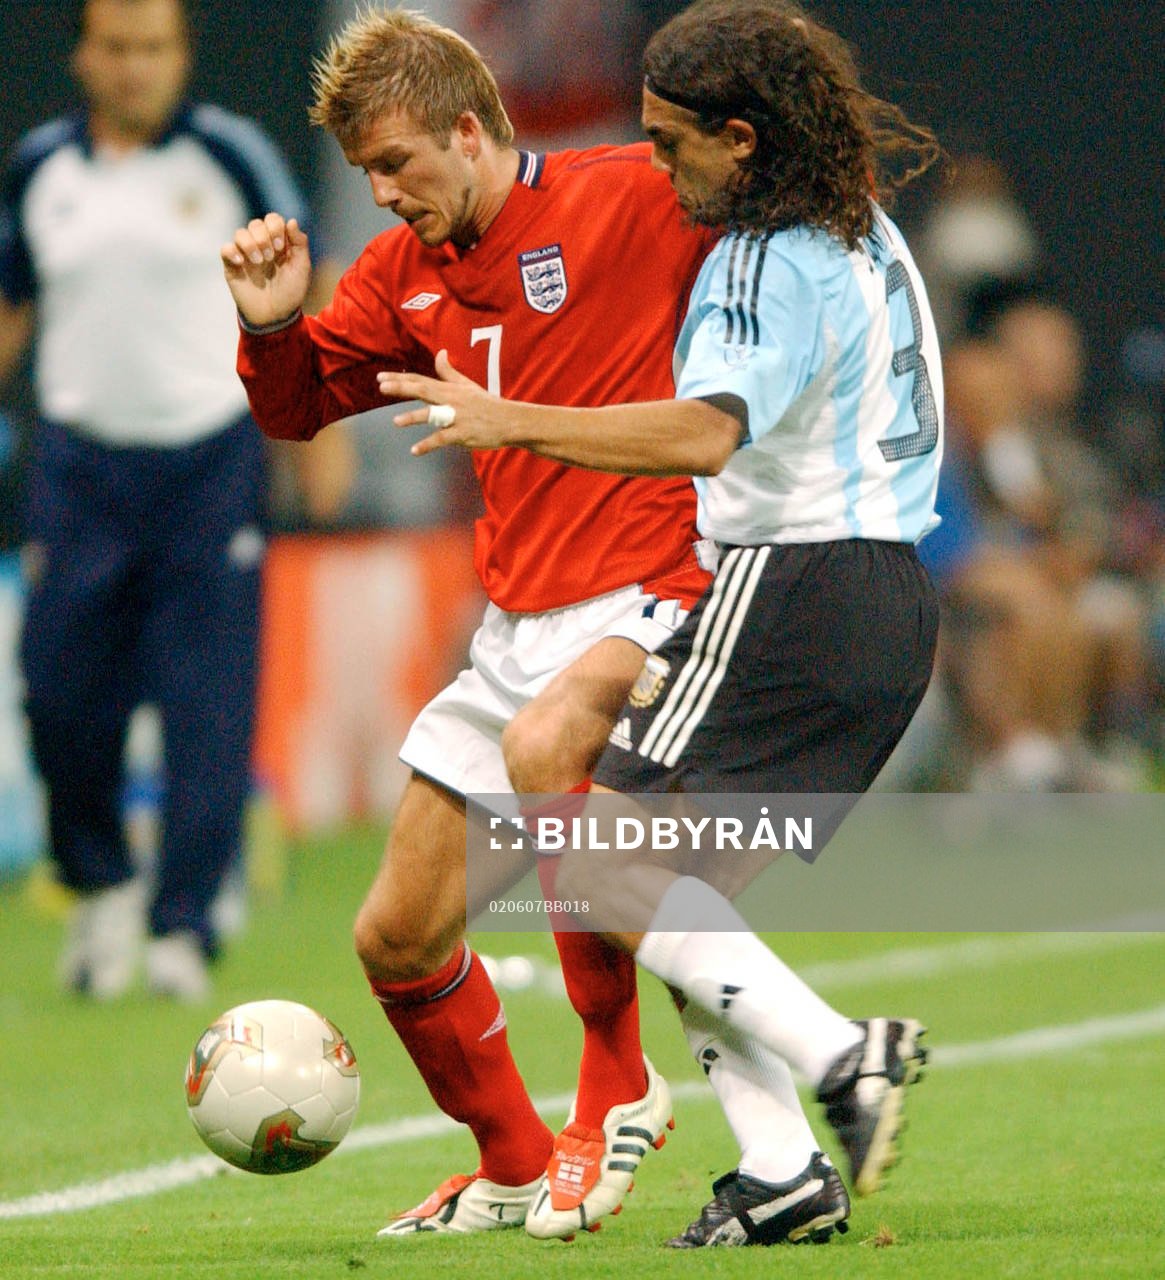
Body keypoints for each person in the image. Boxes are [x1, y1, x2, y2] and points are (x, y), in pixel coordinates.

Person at [378, 0, 943, 1246]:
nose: (658, 165)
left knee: (605, 860)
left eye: (672, 141)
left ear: (740, 140)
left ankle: (843, 1055)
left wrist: (508, 416)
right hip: (888, 599)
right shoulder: (869, 233)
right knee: (682, 907)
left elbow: (702, 432)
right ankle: (784, 1165)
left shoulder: (761, 253)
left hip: (788, 586)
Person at [222, 6, 718, 1242]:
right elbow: (298, 412)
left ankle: (617, 1074)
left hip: (650, 589)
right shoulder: (401, 272)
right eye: (365, 176)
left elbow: (777, 217)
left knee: (552, 763)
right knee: (394, 933)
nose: (383, 194)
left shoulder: (627, 194)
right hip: (518, 620)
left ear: (467, 128)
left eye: (396, 163)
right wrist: (274, 322)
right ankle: (507, 1153)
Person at [0, 0, 346, 1002]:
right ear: (84, 56)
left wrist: (313, 422)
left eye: (155, 48)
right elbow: (13, 300)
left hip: (208, 460)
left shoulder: (231, 157)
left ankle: (183, 923)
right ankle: (100, 882)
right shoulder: (41, 169)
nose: (136, 67)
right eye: (118, 48)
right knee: (60, 693)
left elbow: (307, 277)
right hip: (78, 470)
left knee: (207, 703)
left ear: (180, 55)